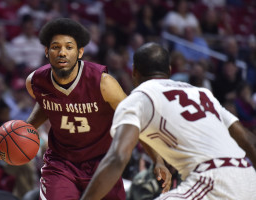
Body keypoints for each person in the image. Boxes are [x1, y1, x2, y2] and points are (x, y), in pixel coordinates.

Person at [80, 42, 256, 200]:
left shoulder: (138, 98)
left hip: (212, 179)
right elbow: (249, 141)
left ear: (134, 71)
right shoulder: (203, 94)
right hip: (249, 178)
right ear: (169, 71)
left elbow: (117, 157)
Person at [25, 18, 171, 200]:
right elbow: (47, 103)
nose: (62, 52)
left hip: (102, 164)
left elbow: (136, 120)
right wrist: (27, 127)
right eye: (55, 47)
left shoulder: (103, 83)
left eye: (69, 47)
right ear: (47, 52)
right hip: (60, 163)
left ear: (80, 52)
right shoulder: (35, 82)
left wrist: (157, 159)